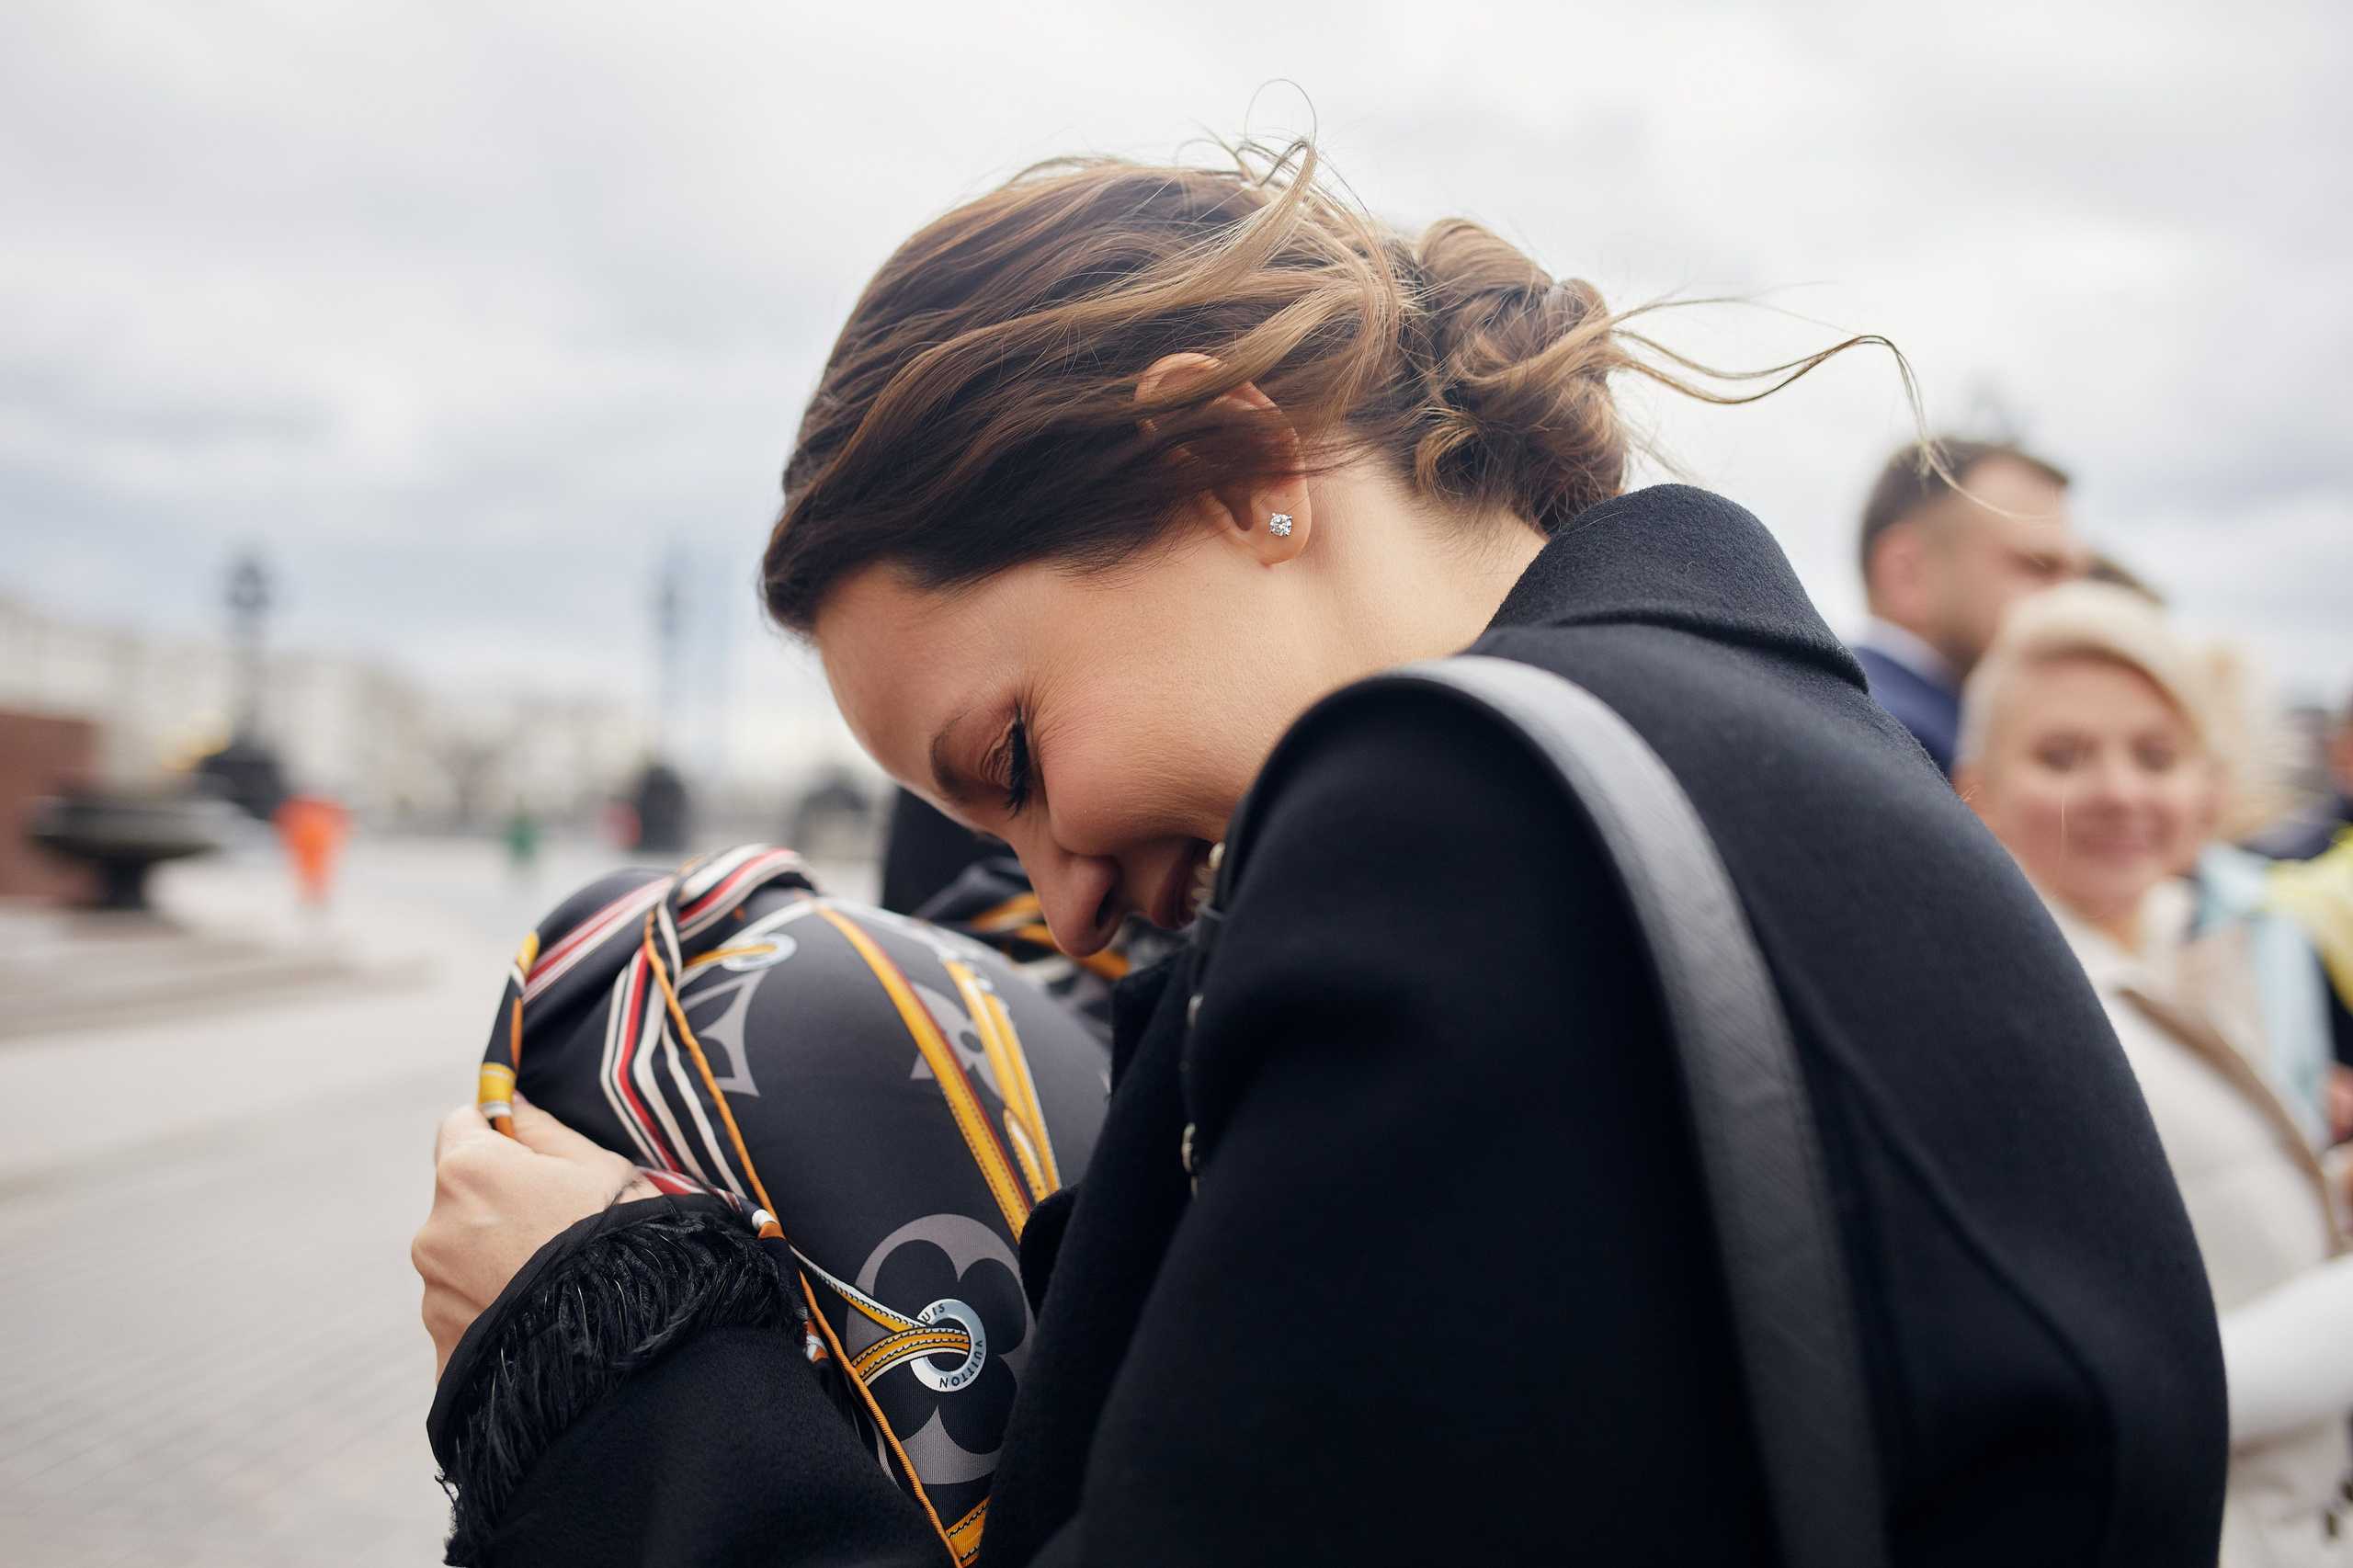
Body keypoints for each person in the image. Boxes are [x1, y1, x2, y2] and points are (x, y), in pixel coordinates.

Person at [413, 146, 2223, 1566]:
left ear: (1232, 463)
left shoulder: (1468, 838)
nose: (1052, 897)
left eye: (1018, 756)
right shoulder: (1747, 752)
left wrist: (614, 1358)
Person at [1954, 581, 2353, 1566]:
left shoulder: (2223, 952)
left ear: (2208, 791)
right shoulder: (1985, 1009)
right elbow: (2037, 1385)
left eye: (2156, 754)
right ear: (1973, 791)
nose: (2119, 791)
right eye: (2061, 754)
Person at [1851, 437, 2086, 774]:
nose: (2074, 601)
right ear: (1907, 574)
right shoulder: (1893, 750)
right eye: (2037, 567)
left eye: (2079, 576)